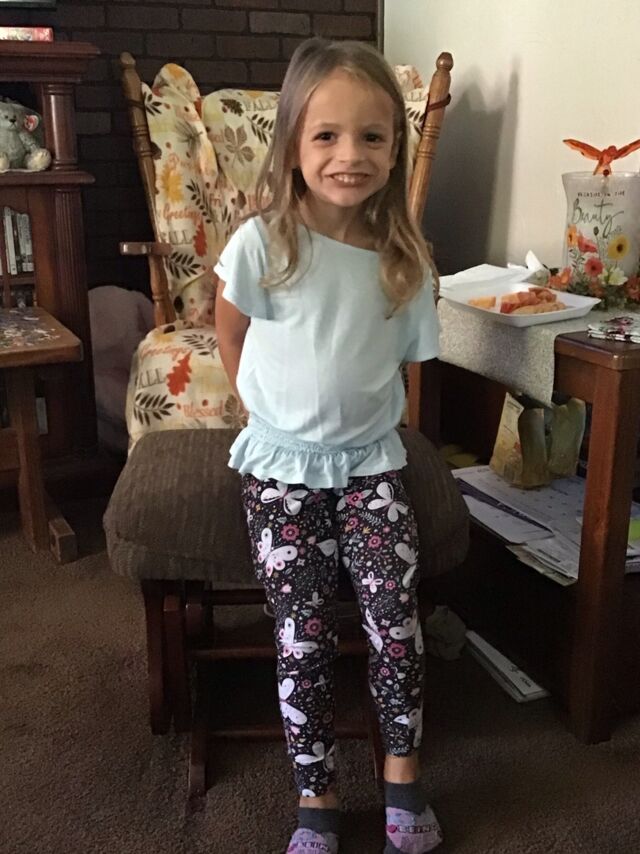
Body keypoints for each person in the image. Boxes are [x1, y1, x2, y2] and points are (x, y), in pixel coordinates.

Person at [215, 36, 442, 854]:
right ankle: (317, 796)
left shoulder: (405, 262)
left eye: (372, 136)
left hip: (372, 465)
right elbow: (228, 332)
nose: (351, 155)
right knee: (301, 634)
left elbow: (409, 366)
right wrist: (263, 413)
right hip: (281, 470)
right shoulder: (263, 244)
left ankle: (403, 782)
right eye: (327, 135)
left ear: (395, 148)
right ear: (293, 145)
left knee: (394, 622)